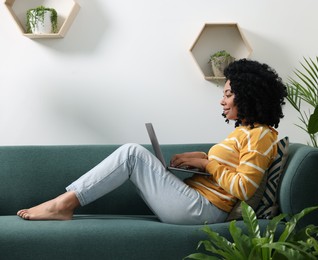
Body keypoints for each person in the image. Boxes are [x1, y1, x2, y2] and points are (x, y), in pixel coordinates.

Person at [17, 59, 287, 225]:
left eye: (228, 94)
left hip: (204, 210)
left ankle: (62, 205)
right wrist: (199, 158)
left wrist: (207, 164)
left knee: (132, 154)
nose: (222, 100)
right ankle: (63, 203)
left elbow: (243, 187)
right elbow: (231, 166)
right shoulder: (246, 131)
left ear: (248, 96)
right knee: (133, 154)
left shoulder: (261, 135)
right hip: (197, 202)